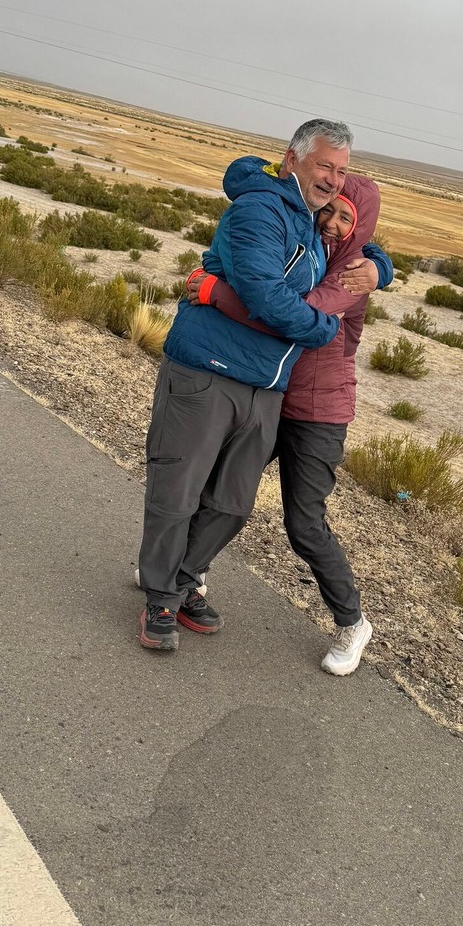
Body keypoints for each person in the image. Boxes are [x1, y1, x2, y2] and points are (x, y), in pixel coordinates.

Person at [137, 119, 356, 653]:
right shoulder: (260, 209)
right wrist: (322, 328)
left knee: (232, 504)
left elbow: (359, 242)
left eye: (342, 171)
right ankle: (160, 599)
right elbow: (265, 295)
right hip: (208, 370)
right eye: (325, 165)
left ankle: (182, 579)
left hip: (266, 386)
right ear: (292, 158)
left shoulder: (310, 222)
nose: (333, 179)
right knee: (178, 491)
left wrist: (377, 265)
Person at [188, 172, 390, 675]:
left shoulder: (352, 275)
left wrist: (215, 293)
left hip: (321, 412)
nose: (334, 222)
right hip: (276, 392)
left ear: (362, 228)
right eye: (331, 210)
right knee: (225, 488)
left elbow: (293, 313)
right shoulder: (314, 249)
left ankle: (352, 622)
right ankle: (186, 574)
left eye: (348, 218)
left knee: (304, 523)